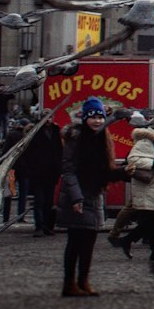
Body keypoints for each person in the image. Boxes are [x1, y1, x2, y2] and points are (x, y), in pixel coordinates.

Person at [56, 96, 132, 297]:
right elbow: (69, 170)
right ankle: (70, 283)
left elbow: (103, 172)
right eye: (92, 117)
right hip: (78, 197)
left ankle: (83, 281)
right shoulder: (76, 138)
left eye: (100, 117)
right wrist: (76, 198)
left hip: (94, 195)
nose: (97, 121)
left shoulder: (102, 138)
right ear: (84, 118)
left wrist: (124, 173)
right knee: (75, 242)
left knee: (89, 242)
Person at [117, 119, 154, 261]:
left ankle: (149, 248)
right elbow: (133, 159)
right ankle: (152, 250)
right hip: (150, 187)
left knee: (152, 221)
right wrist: (153, 163)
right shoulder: (147, 141)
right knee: (152, 221)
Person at [17, 115, 63, 237]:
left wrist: (59, 167)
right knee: (39, 201)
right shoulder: (36, 132)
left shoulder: (56, 132)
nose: (48, 120)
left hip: (51, 172)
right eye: (46, 117)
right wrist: (32, 168)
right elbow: (29, 152)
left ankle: (47, 226)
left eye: (50, 117)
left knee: (48, 201)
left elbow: (59, 151)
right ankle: (39, 226)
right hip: (38, 172)